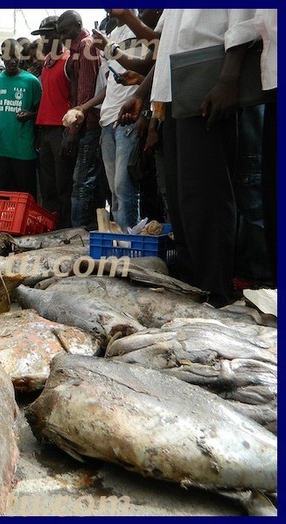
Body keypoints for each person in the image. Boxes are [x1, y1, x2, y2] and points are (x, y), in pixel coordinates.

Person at [117, 9, 258, 306]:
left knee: (207, 197)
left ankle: (215, 290)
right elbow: (165, 44)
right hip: (174, 96)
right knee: (184, 201)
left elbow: (243, 26)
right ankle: (193, 284)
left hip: (207, 85)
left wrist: (228, 79)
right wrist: (142, 94)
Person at [92, 10, 156, 232]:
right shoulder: (113, 32)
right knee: (114, 188)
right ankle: (122, 237)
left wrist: (146, 113)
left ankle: (130, 239)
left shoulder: (140, 28)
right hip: (108, 118)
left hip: (129, 116)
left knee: (124, 184)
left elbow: (151, 70)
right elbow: (110, 80)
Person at [57, 10, 103, 231]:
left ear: (77, 25)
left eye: (65, 31)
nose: (62, 36)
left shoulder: (86, 46)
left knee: (82, 183)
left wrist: (72, 132)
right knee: (85, 182)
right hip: (84, 123)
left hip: (89, 124)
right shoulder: (75, 49)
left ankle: (80, 234)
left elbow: (84, 94)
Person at [0, 39, 41, 197]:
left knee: (25, 195)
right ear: (2, 56)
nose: (12, 61)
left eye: (15, 57)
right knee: (2, 195)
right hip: (0, 149)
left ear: (20, 57)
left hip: (24, 150)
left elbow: (41, 111)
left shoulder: (32, 82)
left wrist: (30, 115)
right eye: (8, 57)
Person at [33, 15, 75, 227]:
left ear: (59, 35)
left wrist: (69, 133)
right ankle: (50, 227)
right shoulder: (47, 61)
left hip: (62, 130)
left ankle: (65, 228)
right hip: (46, 130)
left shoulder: (69, 60)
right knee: (48, 185)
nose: (44, 40)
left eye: (47, 35)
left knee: (63, 185)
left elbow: (76, 99)